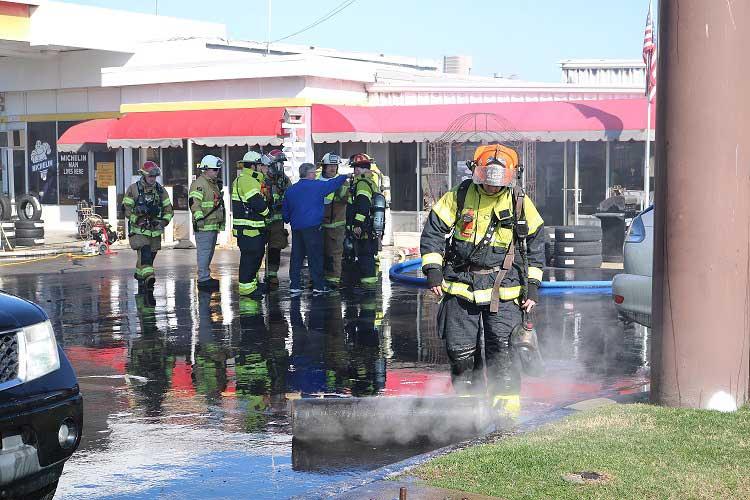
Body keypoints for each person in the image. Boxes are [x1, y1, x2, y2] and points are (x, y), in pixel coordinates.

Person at [419, 145, 545, 419]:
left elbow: (536, 245)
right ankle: (468, 414)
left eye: (496, 184)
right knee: (460, 352)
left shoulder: (519, 202)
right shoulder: (460, 195)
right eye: (486, 181)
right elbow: (433, 233)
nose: (490, 188)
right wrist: (433, 271)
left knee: (503, 352)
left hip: (505, 288)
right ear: (477, 172)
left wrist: (532, 287)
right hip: (460, 285)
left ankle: (506, 417)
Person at [282, 162, 348, 295]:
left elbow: (285, 214)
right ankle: (318, 286)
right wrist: (345, 176)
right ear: (310, 174)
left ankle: (295, 285)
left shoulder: (291, 190)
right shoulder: (317, 186)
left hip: (296, 228)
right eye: (314, 173)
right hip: (313, 228)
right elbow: (333, 184)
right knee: (315, 257)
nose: (315, 175)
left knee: (297, 257)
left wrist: (289, 220)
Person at [122, 161, 173, 296]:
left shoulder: (161, 191)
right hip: (138, 231)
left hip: (155, 231)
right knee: (144, 252)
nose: (153, 179)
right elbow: (126, 209)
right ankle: (150, 277)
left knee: (150, 257)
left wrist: (162, 222)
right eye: (150, 176)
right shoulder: (133, 189)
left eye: (155, 177)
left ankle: (140, 277)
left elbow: (169, 210)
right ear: (144, 175)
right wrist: (137, 219)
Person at [231, 151, 270, 298]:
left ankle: (252, 284)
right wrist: (268, 213)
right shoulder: (247, 180)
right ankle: (247, 289)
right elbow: (256, 202)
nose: (263, 168)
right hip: (248, 229)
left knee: (256, 257)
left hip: (253, 228)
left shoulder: (250, 179)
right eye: (261, 165)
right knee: (250, 258)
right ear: (254, 166)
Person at [189, 154, 225, 291]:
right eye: (215, 169)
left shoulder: (212, 183)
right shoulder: (199, 184)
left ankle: (206, 276)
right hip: (204, 225)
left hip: (212, 224)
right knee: (204, 253)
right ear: (206, 169)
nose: (217, 172)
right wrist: (199, 220)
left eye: (218, 169)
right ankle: (203, 279)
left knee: (208, 253)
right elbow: (194, 204)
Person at [345, 153, 382, 289]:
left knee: (364, 257)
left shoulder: (362, 183)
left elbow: (363, 204)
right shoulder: (370, 181)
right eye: (354, 168)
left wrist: (357, 224)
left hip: (363, 228)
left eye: (357, 167)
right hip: (370, 228)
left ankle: (368, 294)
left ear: (364, 168)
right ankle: (369, 290)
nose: (355, 171)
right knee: (367, 258)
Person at [317, 152, 350, 288]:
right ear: (324, 167)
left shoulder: (343, 183)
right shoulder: (317, 182)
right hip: (319, 225)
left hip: (336, 225)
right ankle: (318, 279)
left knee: (335, 254)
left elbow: (346, 199)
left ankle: (333, 281)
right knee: (318, 253)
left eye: (335, 166)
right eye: (330, 165)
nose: (332, 168)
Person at [261, 149, 291, 290]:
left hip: (277, 222)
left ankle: (272, 275)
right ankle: (254, 277)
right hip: (261, 221)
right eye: (278, 163)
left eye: (281, 163)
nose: (280, 166)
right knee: (258, 250)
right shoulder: (261, 179)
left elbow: (291, 195)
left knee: (275, 249)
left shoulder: (284, 180)